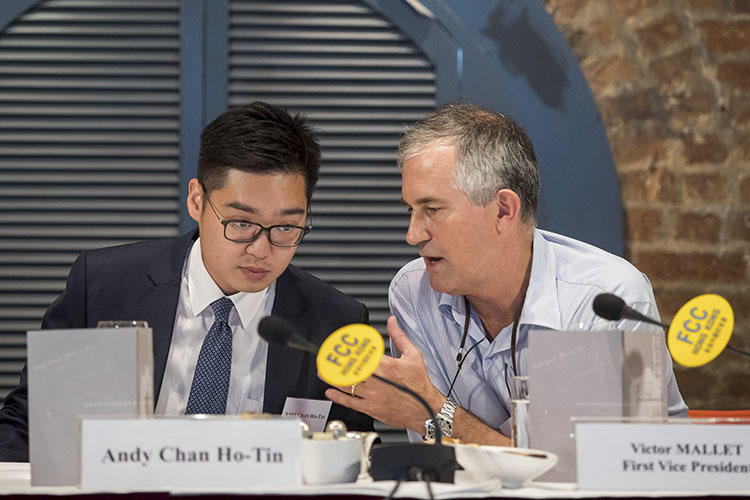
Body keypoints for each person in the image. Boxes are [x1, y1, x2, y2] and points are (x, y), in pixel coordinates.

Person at [0, 101, 372, 461]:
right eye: (241, 223)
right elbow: (31, 423)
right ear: (197, 201)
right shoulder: (104, 286)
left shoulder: (334, 322)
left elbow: (347, 454)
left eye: (287, 227)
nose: (262, 249)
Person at [326, 102, 687, 445]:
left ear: (503, 209)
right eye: (410, 210)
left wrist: (433, 413)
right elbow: (443, 460)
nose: (412, 235)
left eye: (432, 209)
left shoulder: (604, 299)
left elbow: (587, 478)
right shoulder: (414, 290)